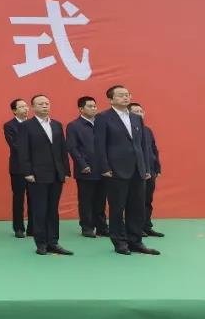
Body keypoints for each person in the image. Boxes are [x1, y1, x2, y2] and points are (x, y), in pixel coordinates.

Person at [93, 85, 159, 256]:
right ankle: (120, 242)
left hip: (137, 169)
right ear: (111, 99)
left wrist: (145, 167)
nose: (125, 97)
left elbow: (142, 145)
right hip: (115, 170)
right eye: (121, 95)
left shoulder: (136, 118)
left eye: (127, 94)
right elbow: (99, 144)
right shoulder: (103, 117)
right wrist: (104, 167)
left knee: (137, 207)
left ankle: (136, 241)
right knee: (117, 208)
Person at [14, 95, 73, 256]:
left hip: (56, 174)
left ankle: (53, 242)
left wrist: (66, 171)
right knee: (40, 209)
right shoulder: (26, 126)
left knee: (53, 209)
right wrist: (27, 172)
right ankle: (41, 243)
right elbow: (23, 150)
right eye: (40, 104)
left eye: (47, 103)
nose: (45, 106)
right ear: (33, 107)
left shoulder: (56, 124)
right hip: (37, 174)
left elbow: (62, 149)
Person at [67, 96, 106, 238]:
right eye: (90, 106)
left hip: (103, 169)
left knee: (101, 200)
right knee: (86, 200)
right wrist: (82, 164)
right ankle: (87, 227)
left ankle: (102, 227)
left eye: (95, 106)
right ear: (81, 109)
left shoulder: (101, 124)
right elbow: (72, 147)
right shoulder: (74, 126)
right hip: (86, 169)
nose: (94, 108)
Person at [129, 102, 164, 238]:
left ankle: (146, 226)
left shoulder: (148, 130)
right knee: (136, 201)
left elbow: (154, 150)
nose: (139, 114)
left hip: (151, 170)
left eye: (141, 111)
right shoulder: (128, 130)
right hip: (137, 172)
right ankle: (136, 228)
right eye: (135, 112)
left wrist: (157, 167)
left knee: (147, 201)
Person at [4, 98, 32, 238]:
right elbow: (15, 146)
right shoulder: (9, 126)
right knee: (19, 199)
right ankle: (19, 228)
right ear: (14, 111)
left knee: (34, 198)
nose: (26, 109)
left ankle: (33, 227)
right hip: (18, 168)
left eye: (26, 106)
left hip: (35, 167)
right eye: (21, 107)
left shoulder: (34, 124)